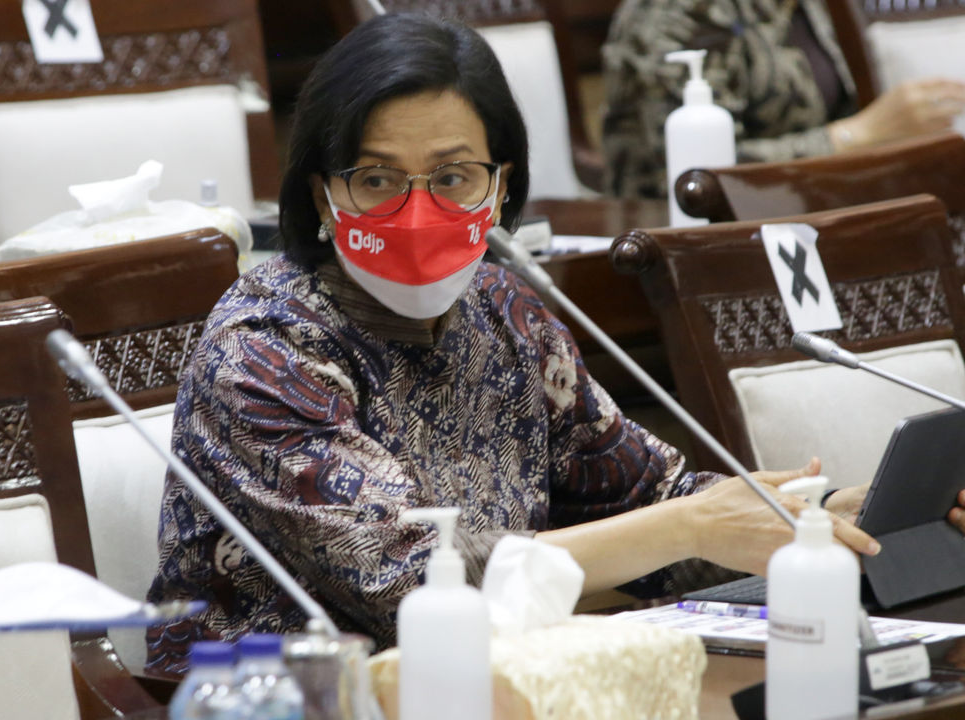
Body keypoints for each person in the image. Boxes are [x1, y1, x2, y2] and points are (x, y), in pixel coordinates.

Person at [144, 12, 964, 677]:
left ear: (502, 186)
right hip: (285, 699)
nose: (417, 210)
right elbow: (409, 578)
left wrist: (817, 519)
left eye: (454, 176)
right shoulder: (262, 349)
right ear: (322, 195)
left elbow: (651, 498)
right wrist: (691, 525)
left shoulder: (505, 310)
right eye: (377, 179)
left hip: (505, 680)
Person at [600, 0, 965, 198]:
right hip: (677, 229)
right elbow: (692, 176)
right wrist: (856, 136)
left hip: (806, 206)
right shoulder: (674, 13)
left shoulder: (803, 7)